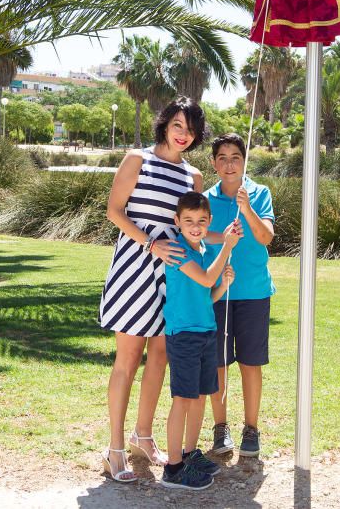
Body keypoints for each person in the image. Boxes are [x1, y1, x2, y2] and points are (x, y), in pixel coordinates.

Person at [99, 97, 206, 483]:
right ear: (165, 124)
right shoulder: (137, 160)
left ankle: (142, 435)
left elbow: (192, 226)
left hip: (173, 276)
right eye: (178, 125)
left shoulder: (193, 177)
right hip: (134, 268)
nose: (184, 134)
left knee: (160, 356)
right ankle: (114, 449)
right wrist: (150, 243)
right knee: (127, 360)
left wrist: (224, 241)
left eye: (191, 129)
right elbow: (114, 211)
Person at [161, 191, 240, 490]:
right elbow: (206, 278)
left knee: (200, 397)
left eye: (202, 221)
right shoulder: (178, 250)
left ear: (209, 223)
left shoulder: (204, 247)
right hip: (183, 336)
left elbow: (209, 293)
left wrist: (225, 284)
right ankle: (173, 468)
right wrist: (227, 248)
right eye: (189, 220)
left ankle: (190, 453)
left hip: (206, 331)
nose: (195, 226)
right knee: (182, 399)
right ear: (177, 222)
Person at [204, 133, 276, 458]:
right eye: (222, 157)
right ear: (213, 163)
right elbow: (198, 232)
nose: (229, 164)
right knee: (218, 362)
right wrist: (223, 238)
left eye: (235, 157)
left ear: (244, 161)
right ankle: (221, 429)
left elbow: (265, 237)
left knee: (250, 362)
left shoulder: (259, 194)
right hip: (216, 292)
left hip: (254, 292)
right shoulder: (205, 198)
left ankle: (251, 428)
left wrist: (246, 209)